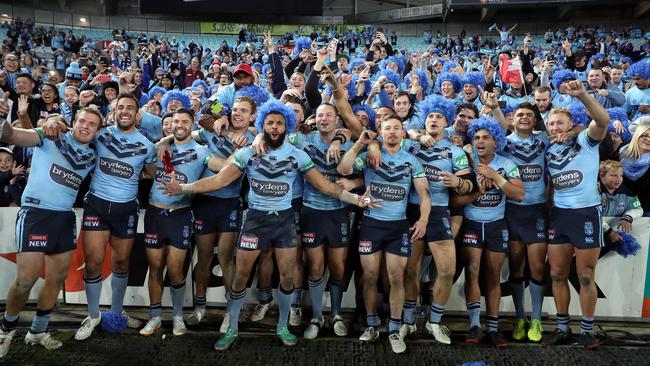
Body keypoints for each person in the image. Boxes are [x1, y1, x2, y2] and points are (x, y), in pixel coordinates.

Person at [160, 99, 378, 350]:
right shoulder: (247, 152)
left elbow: (325, 185)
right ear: (262, 124)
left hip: (284, 221)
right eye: (270, 123)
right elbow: (218, 181)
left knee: (287, 278)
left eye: (280, 123)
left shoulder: (297, 155)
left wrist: (355, 199)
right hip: (255, 220)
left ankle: (282, 326)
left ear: (287, 127)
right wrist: (184, 188)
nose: (275, 127)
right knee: (240, 275)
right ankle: (232, 328)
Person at [42, 93, 157, 340]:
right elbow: (75, 131)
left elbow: (153, 172)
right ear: (113, 112)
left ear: (138, 114)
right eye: (120, 107)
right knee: (93, 263)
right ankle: (93, 315)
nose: (124, 111)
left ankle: (116, 314)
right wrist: (53, 118)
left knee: (121, 264)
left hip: (126, 209)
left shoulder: (148, 146)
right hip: (96, 206)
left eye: (130, 108)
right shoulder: (99, 134)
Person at [0, 110, 100, 357]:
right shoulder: (50, 135)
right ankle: (6, 331)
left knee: (56, 279)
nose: (86, 127)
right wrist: (4, 123)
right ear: (73, 122)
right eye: (82, 121)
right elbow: (14, 134)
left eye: (93, 124)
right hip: (35, 214)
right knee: (26, 280)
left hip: (64, 218)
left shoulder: (93, 154)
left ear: (98, 130)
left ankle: (38, 331)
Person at [337, 115, 431, 354]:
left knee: (396, 278)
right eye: (386, 128)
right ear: (381, 132)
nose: (391, 132)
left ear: (402, 133)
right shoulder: (370, 157)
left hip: (398, 226)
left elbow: (424, 195)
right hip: (371, 225)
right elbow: (343, 168)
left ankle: (395, 329)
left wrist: (423, 219)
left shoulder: (412, 161)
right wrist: (361, 144)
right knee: (369, 277)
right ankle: (371, 324)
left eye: (396, 129)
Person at [139, 108, 223, 337]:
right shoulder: (158, 148)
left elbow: (224, 167)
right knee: (155, 267)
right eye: (175, 121)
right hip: (155, 214)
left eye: (184, 121)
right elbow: (144, 167)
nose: (179, 125)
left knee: (176, 270)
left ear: (191, 125)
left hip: (181, 215)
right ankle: (155, 317)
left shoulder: (201, 150)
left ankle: (177, 316)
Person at [541, 80, 611, 349]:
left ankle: (586, 331)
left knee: (585, 276)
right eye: (551, 122)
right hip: (559, 215)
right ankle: (562, 328)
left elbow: (602, 120)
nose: (555, 127)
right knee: (557, 275)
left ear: (570, 125)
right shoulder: (548, 147)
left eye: (560, 122)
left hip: (585, 214)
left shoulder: (585, 140)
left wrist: (582, 95)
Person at [399, 95, 473, 345]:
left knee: (447, 270)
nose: (434, 119)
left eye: (439, 117)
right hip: (411, 210)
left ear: (447, 122)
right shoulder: (411, 144)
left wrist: (459, 182)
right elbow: (396, 132)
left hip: (440, 212)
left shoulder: (456, 151)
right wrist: (416, 135)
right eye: (430, 116)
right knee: (410, 270)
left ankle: (434, 322)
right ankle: (408, 321)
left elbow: (468, 184)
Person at [182, 97, 256, 332]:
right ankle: (200, 308)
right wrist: (219, 116)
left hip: (230, 203)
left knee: (225, 258)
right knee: (203, 257)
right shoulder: (214, 128)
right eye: (235, 110)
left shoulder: (254, 140)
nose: (238, 114)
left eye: (244, 111)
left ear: (252, 117)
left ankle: (231, 313)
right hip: (204, 201)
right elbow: (207, 106)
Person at [455, 116, 524, 348]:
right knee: (472, 271)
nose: (480, 141)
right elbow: (455, 201)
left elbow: (519, 194)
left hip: (496, 225)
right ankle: (475, 325)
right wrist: (477, 192)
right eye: (476, 138)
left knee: (493, 276)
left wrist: (495, 176)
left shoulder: (507, 164)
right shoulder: (464, 163)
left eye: (486, 137)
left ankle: (493, 328)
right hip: (472, 224)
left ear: (496, 142)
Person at [598, 160, 643, 256]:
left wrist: (628, 216)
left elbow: (638, 209)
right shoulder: (593, 191)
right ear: (602, 176)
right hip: (589, 236)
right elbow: (589, 215)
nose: (618, 179)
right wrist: (608, 231)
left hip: (612, 236)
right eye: (613, 175)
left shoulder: (626, 192)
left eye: (621, 175)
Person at [620, 118, 650, 214]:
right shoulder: (620, 154)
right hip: (617, 211)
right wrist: (615, 122)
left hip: (646, 213)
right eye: (644, 135)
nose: (648, 139)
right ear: (637, 136)